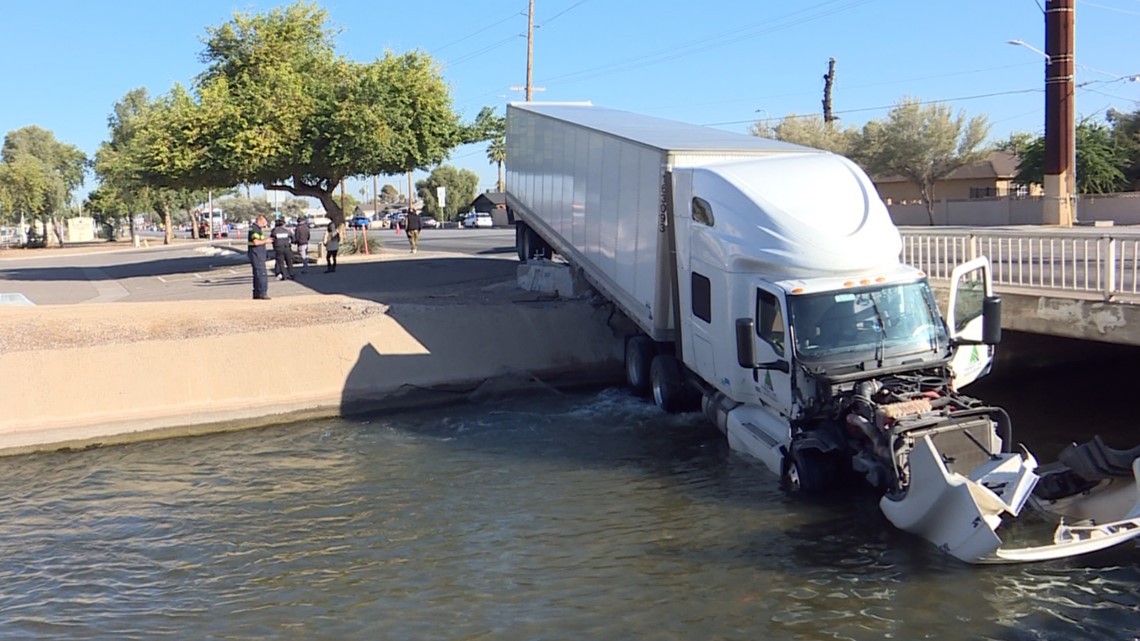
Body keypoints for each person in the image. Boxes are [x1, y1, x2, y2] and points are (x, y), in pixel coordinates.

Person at [247, 214, 272, 299]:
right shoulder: (254, 229)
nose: (265, 224)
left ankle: (257, 292)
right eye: (264, 222)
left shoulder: (256, 229)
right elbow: (256, 242)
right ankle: (262, 292)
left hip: (257, 254)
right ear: (260, 221)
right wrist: (266, 241)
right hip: (257, 254)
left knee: (257, 274)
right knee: (261, 274)